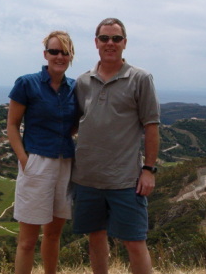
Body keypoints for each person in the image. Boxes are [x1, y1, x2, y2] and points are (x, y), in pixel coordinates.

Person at [72, 18, 160, 274]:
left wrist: (149, 170)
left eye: (116, 38)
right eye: (104, 38)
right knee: (95, 238)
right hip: (87, 178)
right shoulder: (82, 82)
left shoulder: (140, 78)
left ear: (124, 43)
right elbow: (76, 123)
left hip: (125, 179)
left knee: (135, 242)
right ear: (96, 42)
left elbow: (151, 126)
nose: (110, 43)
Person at [7, 31, 77, 274]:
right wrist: (25, 161)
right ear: (45, 54)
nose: (59, 56)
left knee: (53, 235)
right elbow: (12, 125)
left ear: (70, 56)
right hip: (37, 161)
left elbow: (75, 123)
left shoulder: (74, 88)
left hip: (65, 163)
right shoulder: (27, 83)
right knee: (27, 241)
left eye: (64, 52)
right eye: (54, 51)